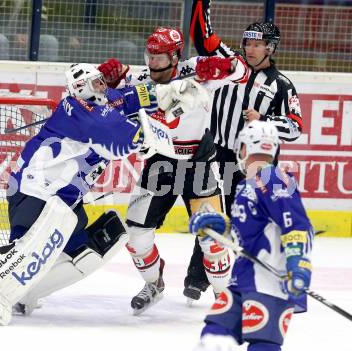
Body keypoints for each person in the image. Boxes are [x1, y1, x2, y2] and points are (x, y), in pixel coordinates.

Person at [0, 63, 186, 325]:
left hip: (63, 200)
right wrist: (161, 124)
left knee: (86, 254)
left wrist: (176, 91)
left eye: (101, 81)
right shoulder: (79, 112)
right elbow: (122, 141)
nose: (103, 86)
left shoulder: (99, 101)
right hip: (35, 193)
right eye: (96, 83)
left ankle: (22, 293)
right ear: (80, 88)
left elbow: (132, 98)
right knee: (23, 250)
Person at [98, 26, 250, 313]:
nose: (152, 63)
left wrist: (221, 64)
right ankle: (154, 285)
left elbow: (242, 71)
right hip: (160, 164)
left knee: (212, 237)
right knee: (136, 235)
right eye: (149, 56)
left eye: (159, 57)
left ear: (176, 56)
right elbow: (111, 91)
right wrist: (111, 78)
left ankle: (225, 298)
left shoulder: (196, 70)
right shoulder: (141, 78)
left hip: (198, 164)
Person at [185, 0, 305, 302]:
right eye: (247, 42)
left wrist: (263, 120)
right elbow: (203, 37)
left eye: (257, 44)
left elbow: (295, 127)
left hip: (256, 164)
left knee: (246, 223)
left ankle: (243, 282)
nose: (249, 49)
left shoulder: (281, 86)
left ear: (271, 48)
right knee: (212, 215)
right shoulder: (231, 64)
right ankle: (197, 279)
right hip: (217, 155)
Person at [189, 120, 313, 351]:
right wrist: (221, 226)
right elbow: (248, 232)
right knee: (214, 337)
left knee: (262, 345)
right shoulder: (248, 185)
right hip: (242, 279)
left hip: (272, 283)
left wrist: (299, 263)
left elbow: (297, 225)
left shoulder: (276, 179)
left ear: (243, 147)